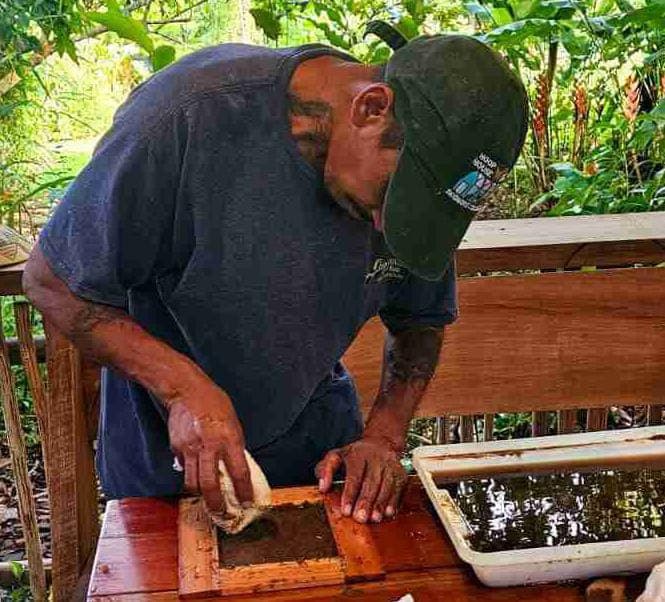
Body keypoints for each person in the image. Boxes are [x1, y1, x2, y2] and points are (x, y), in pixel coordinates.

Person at [23, 34, 527, 524]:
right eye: (393, 194)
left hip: (318, 458)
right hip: (165, 463)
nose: (384, 226)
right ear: (371, 108)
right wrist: (181, 389)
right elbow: (52, 280)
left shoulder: (409, 192)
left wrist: (383, 438)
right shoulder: (188, 118)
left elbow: (420, 320)